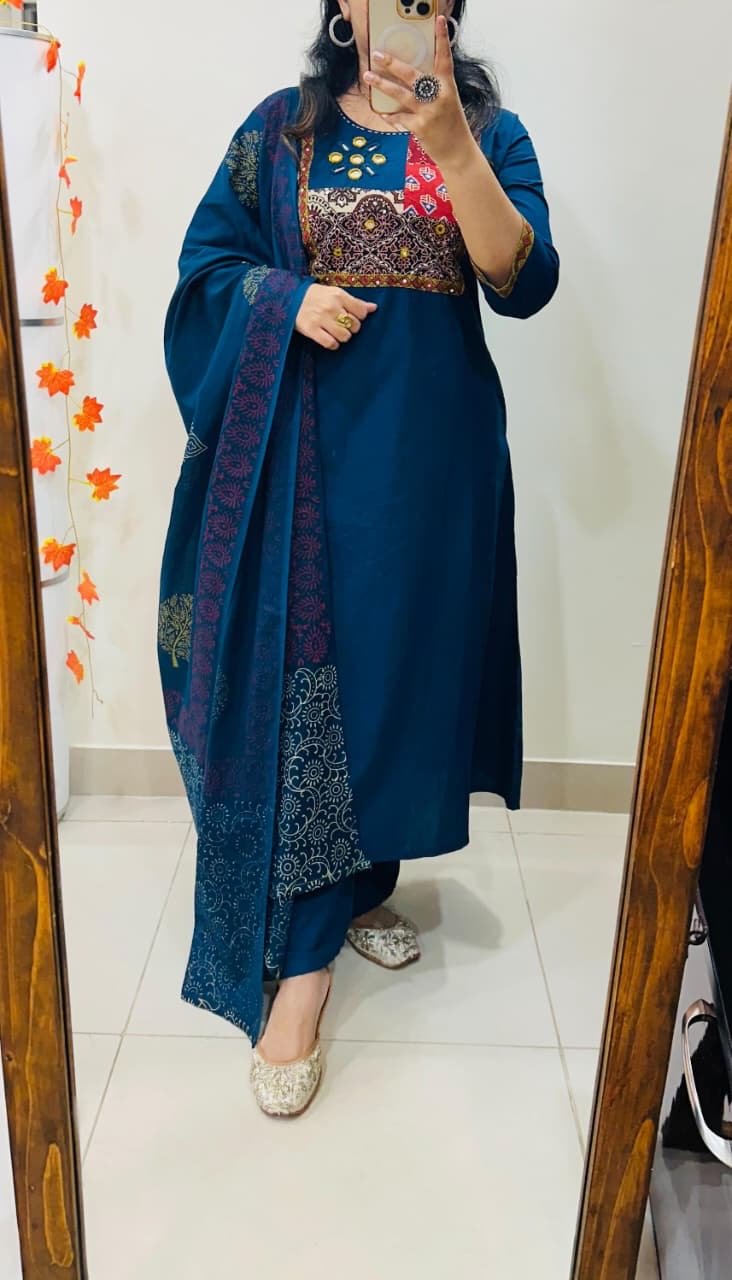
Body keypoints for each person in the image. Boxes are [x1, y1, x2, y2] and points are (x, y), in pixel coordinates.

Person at [157, 0, 559, 1119]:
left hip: (433, 470)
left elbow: (524, 283)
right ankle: (305, 966)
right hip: (306, 463)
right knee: (312, 690)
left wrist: (451, 144)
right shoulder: (280, 131)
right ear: (342, 6)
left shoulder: (491, 133)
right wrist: (283, 300)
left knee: (399, 688)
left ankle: (366, 878)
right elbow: (205, 269)